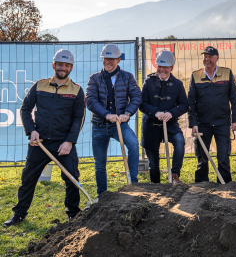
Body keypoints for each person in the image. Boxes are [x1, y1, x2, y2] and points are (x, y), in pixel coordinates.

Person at [3, 50, 85, 227]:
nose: (63, 68)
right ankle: (19, 213)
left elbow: (79, 118)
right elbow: (25, 109)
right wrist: (31, 131)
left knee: (72, 178)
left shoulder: (77, 90)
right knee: (28, 178)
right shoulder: (39, 86)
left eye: (67, 65)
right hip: (38, 143)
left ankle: (73, 213)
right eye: (60, 64)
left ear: (71, 67)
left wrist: (69, 142)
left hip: (63, 143)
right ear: (54, 65)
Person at [86, 43, 142, 196]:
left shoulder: (128, 77)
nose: (108, 62)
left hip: (120, 124)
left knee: (133, 144)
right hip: (99, 126)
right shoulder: (95, 79)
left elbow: (137, 96)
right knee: (100, 163)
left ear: (118, 60)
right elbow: (90, 100)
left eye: (111, 59)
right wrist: (106, 114)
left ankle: (133, 185)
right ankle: (102, 195)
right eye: (105, 59)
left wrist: (128, 113)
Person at [188, 46, 236, 184]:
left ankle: (225, 185)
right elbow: (190, 102)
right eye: (205, 56)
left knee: (223, 157)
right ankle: (201, 185)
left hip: (222, 122)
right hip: (202, 123)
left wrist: (235, 120)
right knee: (202, 158)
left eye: (210, 56)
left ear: (217, 58)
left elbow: (234, 98)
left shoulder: (227, 73)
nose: (207, 59)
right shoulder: (195, 76)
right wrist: (193, 123)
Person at [140, 50, 189, 184]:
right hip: (151, 124)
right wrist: (155, 112)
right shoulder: (148, 82)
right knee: (153, 162)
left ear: (171, 67)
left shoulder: (178, 84)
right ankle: (156, 186)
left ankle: (175, 176)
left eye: (165, 67)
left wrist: (172, 113)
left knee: (179, 142)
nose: (162, 70)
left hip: (170, 123)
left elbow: (185, 104)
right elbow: (142, 104)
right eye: (159, 67)